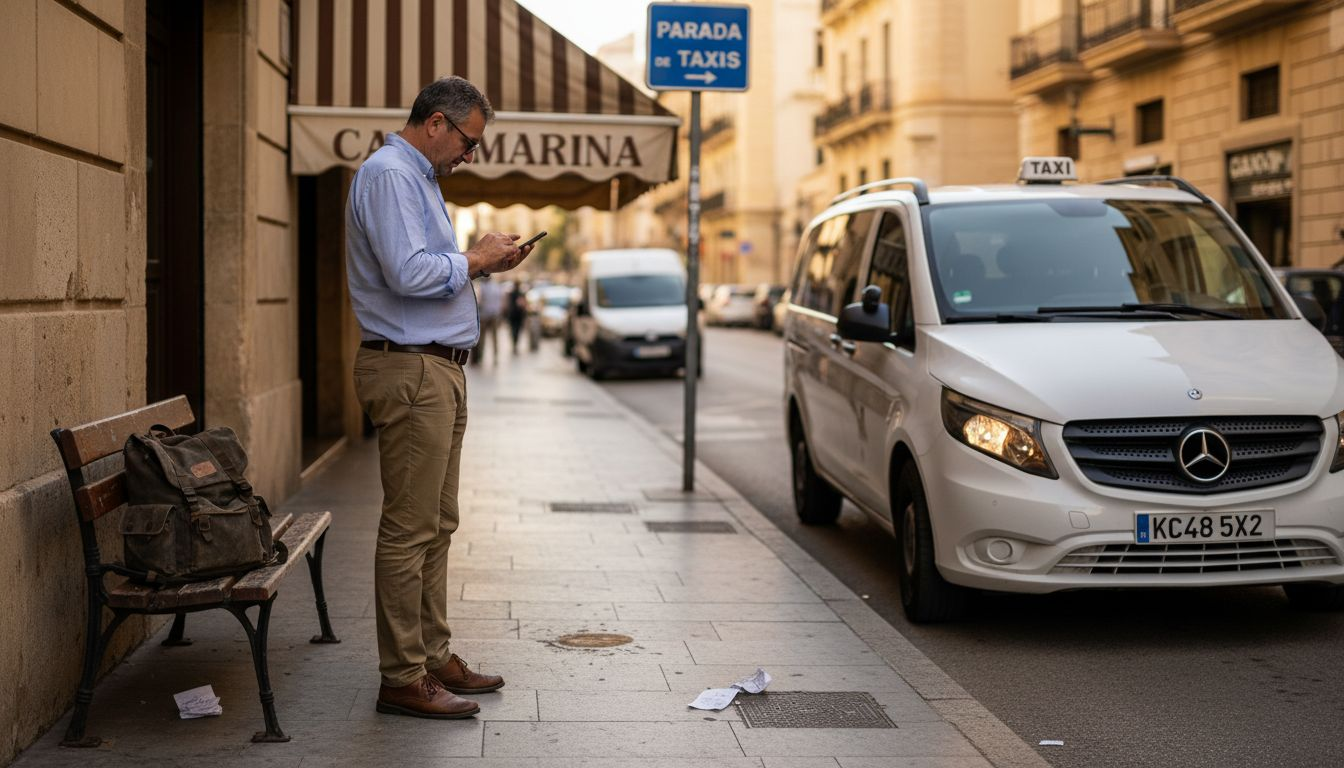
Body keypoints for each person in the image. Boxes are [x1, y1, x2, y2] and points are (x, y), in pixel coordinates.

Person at [345, 75, 534, 720]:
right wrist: (475, 260)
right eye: (468, 142)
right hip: (411, 371)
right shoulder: (392, 175)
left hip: (436, 369)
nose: (469, 155)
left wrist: (481, 262)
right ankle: (402, 675)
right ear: (436, 124)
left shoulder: (418, 178)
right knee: (408, 528)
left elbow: (425, 267)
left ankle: (431, 653)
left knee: (437, 521)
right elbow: (407, 273)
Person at [472, 275, 503, 365]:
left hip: (484, 315)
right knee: (494, 338)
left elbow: (479, 301)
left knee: (482, 338)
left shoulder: (482, 287)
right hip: (495, 315)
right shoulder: (497, 287)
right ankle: (495, 356)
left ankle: (481, 357)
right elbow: (500, 301)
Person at [506, 280, 527, 353]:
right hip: (518, 315)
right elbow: (523, 305)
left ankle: (514, 344)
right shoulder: (521, 294)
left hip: (512, 315)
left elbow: (508, 304)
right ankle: (515, 344)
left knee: (513, 330)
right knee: (517, 331)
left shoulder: (511, 294)